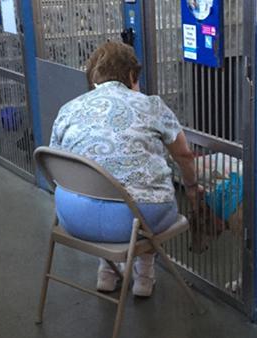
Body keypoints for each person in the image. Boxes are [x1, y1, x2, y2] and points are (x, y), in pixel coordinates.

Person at [49, 41, 201, 297]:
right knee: (146, 194)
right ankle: (144, 276)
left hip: (73, 218)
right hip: (137, 219)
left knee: (106, 192)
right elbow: (184, 154)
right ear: (132, 75)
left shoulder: (69, 109)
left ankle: (107, 272)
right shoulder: (151, 105)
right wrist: (192, 187)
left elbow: (55, 164)